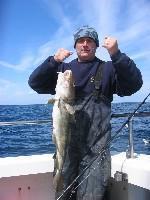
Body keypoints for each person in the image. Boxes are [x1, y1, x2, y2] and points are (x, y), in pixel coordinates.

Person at [28, 25, 143, 200]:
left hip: (96, 153)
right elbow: (35, 83)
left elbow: (134, 85)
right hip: (66, 151)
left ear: (96, 46)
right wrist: (53, 60)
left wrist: (117, 54)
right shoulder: (63, 70)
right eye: (80, 41)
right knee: (63, 194)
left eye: (90, 41)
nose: (85, 44)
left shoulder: (108, 69)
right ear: (75, 46)